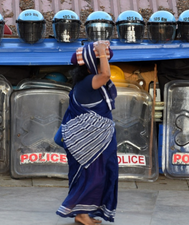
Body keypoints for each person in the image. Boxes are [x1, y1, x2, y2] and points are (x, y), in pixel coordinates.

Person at [55, 41, 118, 225]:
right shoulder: (89, 83)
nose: (105, 65)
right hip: (88, 144)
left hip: (96, 141)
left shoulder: (90, 83)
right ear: (92, 65)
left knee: (101, 175)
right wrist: (101, 52)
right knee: (92, 176)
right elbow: (106, 74)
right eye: (102, 61)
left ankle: (85, 212)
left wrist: (101, 53)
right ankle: (81, 214)